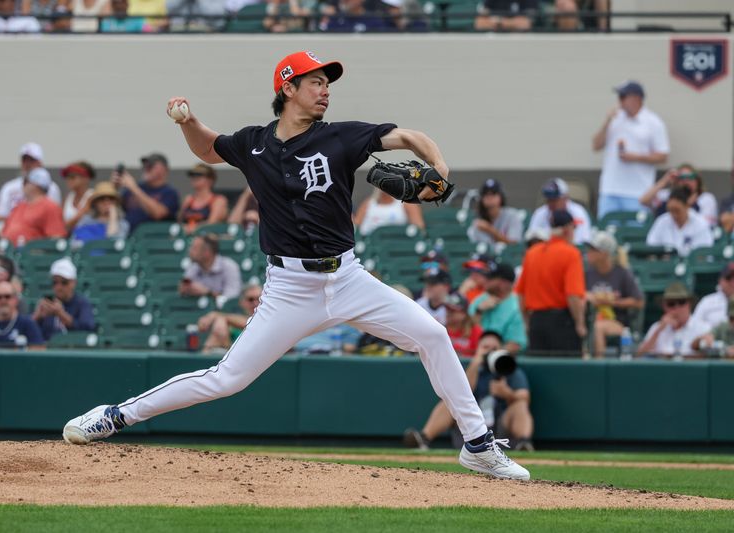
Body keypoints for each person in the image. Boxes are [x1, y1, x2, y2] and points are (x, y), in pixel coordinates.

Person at [62, 50, 529, 480]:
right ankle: (115, 415)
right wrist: (190, 121)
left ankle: (478, 444)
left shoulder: (342, 137)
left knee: (432, 334)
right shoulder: (254, 144)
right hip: (289, 288)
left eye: (328, 83)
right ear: (288, 88)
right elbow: (208, 149)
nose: (325, 90)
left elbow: (408, 136)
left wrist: (441, 169)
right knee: (227, 378)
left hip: (348, 278)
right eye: (316, 82)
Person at [403, 331, 534, 451]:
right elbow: (458, 392)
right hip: (471, 424)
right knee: (449, 403)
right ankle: (423, 439)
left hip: (501, 425)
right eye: (485, 347)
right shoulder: (469, 369)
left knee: (520, 405)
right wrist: (476, 363)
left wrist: (506, 393)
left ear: (500, 350)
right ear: (478, 349)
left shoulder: (508, 367)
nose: (489, 352)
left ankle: (523, 443)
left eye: (494, 349)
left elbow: (524, 397)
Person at [593, 80, 670, 219]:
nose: (620, 101)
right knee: (605, 233)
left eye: (623, 97)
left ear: (637, 99)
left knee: (635, 231)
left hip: (638, 192)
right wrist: (607, 121)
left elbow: (663, 156)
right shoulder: (615, 119)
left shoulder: (653, 122)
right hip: (610, 190)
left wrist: (636, 157)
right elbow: (596, 145)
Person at [516, 210, 586, 355]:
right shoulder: (571, 253)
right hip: (562, 323)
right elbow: (572, 295)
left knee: (540, 371)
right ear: (567, 230)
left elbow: (520, 294)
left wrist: (527, 322)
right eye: (574, 228)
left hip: (537, 322)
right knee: (566, 372)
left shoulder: (532, 253)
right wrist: (580, 323)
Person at [584, 231, 644, 357]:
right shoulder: (587, 273)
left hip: (617, 322)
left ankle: (598, 367)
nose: (588, 253)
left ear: (604, 253)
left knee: (598, 327)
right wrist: (590, 297)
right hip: (590, 320)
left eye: (593, 250)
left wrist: (612, 302)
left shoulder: (622, 273)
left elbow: (639, 302)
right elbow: (579, 295)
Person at [468, 262, 527, 354]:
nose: (485, 280)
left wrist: (487, 355)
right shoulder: (479, 301)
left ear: (504, 283)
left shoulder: (517, 307)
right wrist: (479, 311)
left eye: (490, 278)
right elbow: (465, 332)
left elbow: (515, 345)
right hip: (472, 355)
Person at [637, 282, 707, 358]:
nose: (677, 308)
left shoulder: (702, 328)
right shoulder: (656, 327)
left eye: (681, 302)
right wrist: (659, 330)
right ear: (664, 307)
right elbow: (639, 355)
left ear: (689, 304)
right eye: (671, 304)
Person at [31, 257, 95, 341]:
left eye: (64, 282)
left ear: (74, 283)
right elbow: (27, 330)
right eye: (55, 282)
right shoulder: (46, 303)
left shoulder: (82, 303)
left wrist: (61, 314)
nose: (58, 287)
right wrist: (37, 316)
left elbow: (87, 329)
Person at [0, 143, 62, 221]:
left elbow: (55, 216)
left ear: (40, 162)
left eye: (32, 160)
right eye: (24, 160)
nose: (28, 164)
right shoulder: (9, 187)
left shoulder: (52, 187)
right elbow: (1, 215)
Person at [1, 168, 67, 246]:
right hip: (10, 252)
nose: (22, 185)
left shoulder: (50, 207)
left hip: (33, 255)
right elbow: (5, 231)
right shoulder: (19, 206)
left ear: (37, 185)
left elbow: (56, 238)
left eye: (26, 182)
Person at [115, 153, 180, 231]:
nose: (147, 168)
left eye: (152, 165)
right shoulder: (135, 188)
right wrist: (114, 187)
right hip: (129, 237)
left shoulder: (170, 192)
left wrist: (134, 188)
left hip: (155, 238)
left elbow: (158, 214)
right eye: (146, 165)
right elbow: (110, 207)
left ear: (165, 169)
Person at [0, 281, 45, 349]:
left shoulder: (28, 325)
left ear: (15, 300)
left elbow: (38, 353)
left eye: (7, 296)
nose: (3, 301)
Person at [640, 164, 717, 227]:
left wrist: (685, 205)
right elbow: (644, 200)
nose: (686, 181)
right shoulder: (667, 195)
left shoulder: (705, 198)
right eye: (682, 178)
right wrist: (665, 180)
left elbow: (705, 225)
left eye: (690, 177)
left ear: (697, 180)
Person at [645, 187, 713, 257]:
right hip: (665, 264)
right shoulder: (662, 221)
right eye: (670, 210)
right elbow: (651, 247)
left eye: (677, 210)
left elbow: (703, 254)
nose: (673, 214)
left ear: (687, 206)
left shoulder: (700, 223)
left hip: (691, 265)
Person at [196, 284, 261, 353]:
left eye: (259, 299)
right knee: (219, 324)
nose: (255, 303)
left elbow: (254, 324)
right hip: (237, 356)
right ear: (242, 302)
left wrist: (216, 315)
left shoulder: (268, 318)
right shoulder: (233, 324)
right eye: (250, 299)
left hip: (261, 356)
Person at [527, 177, 591, 245]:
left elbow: (583, 240)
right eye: (548, 200)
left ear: (565, 197)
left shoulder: (578, 212)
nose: (551, 203)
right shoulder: (540, 213)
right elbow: (531, 238)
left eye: (554, 200)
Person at [179, 234, 242, 300]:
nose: (190, 251)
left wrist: (208, 293)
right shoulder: (193, 267)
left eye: (194, 248)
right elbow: (183, 291)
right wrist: (184, 290)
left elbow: (231, 300)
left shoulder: (229, 266)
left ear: (207, 252)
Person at [467, 179, 523, 245]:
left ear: (501, 197)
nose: (489, 197)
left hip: (507, 255)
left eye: (493, 193)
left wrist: (490, 230)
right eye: (486, 194)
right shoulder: (478, 220)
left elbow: (514, 243)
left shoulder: (512, 215)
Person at [177, 163, 229, 234]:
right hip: (186, 237)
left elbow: (212, 223)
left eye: (199, 175)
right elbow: (179, 221)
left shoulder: (218, 200)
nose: (194, 178)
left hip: (208, 239)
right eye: (193, 175)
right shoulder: (188, 199)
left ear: (210, 179)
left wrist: (193, 228)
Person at [353, 189, 424, 236]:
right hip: (368, 245)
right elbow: (356, 226)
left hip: (394, 245)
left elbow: (419, 229)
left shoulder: (407, 203)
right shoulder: (368, 203)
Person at [691, 262, 734, 333]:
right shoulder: (707, 302)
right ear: (720, 280)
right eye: (728, 278)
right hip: (713, 341)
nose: (732, 282)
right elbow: (694, 326)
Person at [60, 161, 96, 234]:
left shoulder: (92, 196)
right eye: (67, 177)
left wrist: (61, 227)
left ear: (85, 178)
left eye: (72, 177)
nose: (68, 180)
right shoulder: (67, 198)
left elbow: (76, 219)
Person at [474, 0, 538, 31]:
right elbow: (479, 23)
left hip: (520, 43)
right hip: (495, 41)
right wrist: (513, 23)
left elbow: (525, 24)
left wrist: (499, 22)